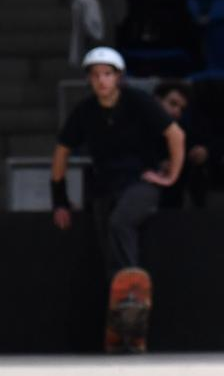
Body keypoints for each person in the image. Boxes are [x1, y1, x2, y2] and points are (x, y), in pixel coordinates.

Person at [50, 47, 185, 346]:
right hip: (104, 188)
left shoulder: (138, 101)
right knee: (108, 246)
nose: (101, 80)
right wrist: (59, 200)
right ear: (89, 79)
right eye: (96, 75)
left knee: (120, 221)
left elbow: (176, 134)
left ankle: (132, 288)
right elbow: (61, 152)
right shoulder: (85, 111)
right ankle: (124, 324)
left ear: (118, 77)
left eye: (107, 74)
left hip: (140, 183)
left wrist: (171, 176)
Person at [153, 81, 211, 209]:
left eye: (182, 109)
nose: (176, 112)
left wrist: (203, 151)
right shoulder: (135, 125)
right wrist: (155, 165)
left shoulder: (180, 130)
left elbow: (219, 145)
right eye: (172, 103)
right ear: (157, 100)